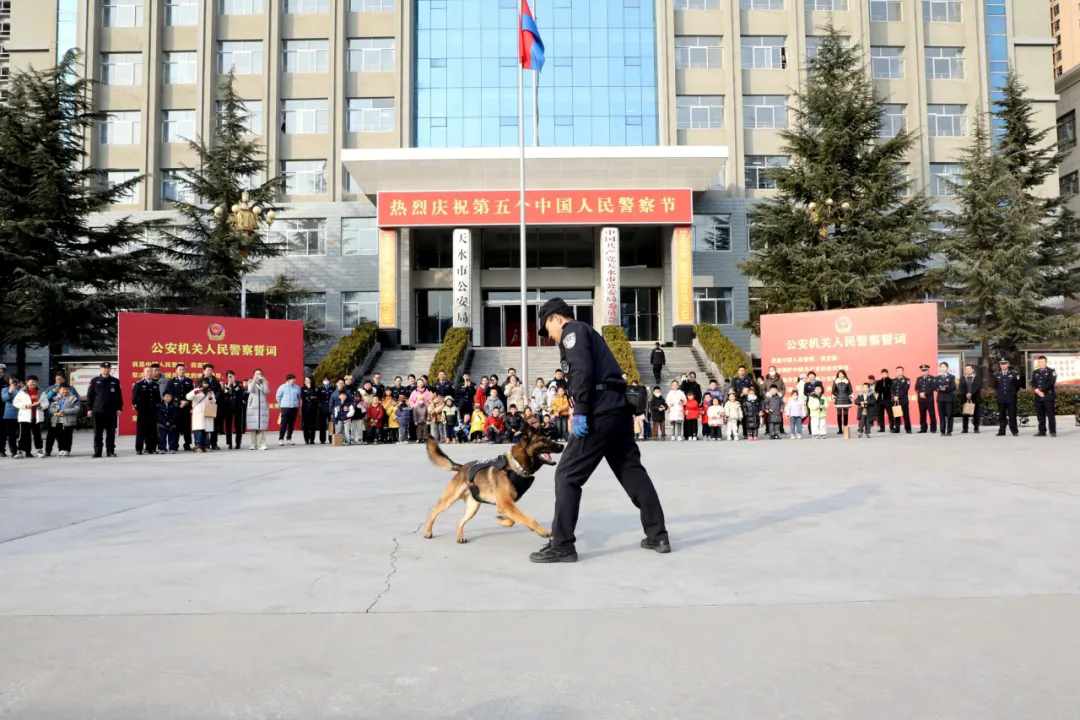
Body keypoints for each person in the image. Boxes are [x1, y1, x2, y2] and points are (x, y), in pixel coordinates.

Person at [528, 297, 669, 563]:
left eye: (548, 329)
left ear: (556, 318)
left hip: (599, 412)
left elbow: (582, 372)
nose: (550, 336)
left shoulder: (572, 332)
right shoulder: (586, 332)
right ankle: (658, 535)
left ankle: (562, 545)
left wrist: (581, 411)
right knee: (632, 473)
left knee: (567, 475)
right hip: (617, 411)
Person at [86, 361, 123, 458]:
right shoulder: (94, 381)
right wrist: (89, 409)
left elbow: (118, 396)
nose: (106, 369)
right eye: (104, 368)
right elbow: (90, 396)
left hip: (111, 411)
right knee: (98, 433)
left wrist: (119, 408)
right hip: (98, 411)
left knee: (111, 432)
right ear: (100, 369)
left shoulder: (115, 381)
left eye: (108, 368)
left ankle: (110, 451)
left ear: (110, 369)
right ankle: (97, 452)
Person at [13, 376, 47, 458]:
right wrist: (25, 406)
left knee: (37, 434)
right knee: (24, 435)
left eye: (35, 382)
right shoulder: (22, 392)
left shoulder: (41, 392)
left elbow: (46, 403)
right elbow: (15, 402)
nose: (33, 383)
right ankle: (21, 451)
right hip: (25, 417)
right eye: (32, 382)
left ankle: (39, 450)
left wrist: (40, 405)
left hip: (36, 417)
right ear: (27, 382)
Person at [132, 366, 161, 455]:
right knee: (141, 430)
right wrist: (138, 407)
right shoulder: (139, 384)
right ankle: (139, 448)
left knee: (152, 430)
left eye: (151, 371)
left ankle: (151, 448)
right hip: (143, 410)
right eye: (147, 371)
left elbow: (158, 398)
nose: (149, 373)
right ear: (143, 373)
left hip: (153, 410)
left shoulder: (155, 384)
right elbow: (134, 398)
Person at [165, 363, 195, 451]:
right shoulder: (171, 382)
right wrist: (178, 401)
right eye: (180, 369)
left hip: (186, 407)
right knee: (176, 427)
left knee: (187, 427)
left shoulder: (189, 381)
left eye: (183, 369)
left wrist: (188, 403)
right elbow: (169, 394)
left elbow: (192, 394)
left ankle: (187, 444)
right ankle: (175, 444)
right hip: (176, 408)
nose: (182, 371)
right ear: (176, 371)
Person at [46, 383, 81, 457]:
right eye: (63, 389)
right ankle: (60, 450)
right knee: (58, 436)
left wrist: (64, 411)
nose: (65, 391)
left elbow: (77, 409)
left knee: (68, 436)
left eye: (67, 389)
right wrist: (57, 411)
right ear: (59, 390)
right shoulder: (55, 398)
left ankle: (67, 450)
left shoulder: (73, 398)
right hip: (57, 419)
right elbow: (50, 408)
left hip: (68, 419)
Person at [1028, 355, 1057, 437]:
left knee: (1050, 415)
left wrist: (1040, 389)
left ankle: (1052, 431)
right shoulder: (1035, 372)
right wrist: (1036, 390)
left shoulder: (1051, 371)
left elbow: (1051, 382)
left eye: (1042, 362)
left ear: (1046, 362)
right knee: (1040, 415)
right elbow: (1033, 382)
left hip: (1048, 396)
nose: (1041, 363)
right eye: (1039, 362)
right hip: (1038, 397)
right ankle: (1042, 431)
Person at [187, 378, 217, 453]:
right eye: (204, 383)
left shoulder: (210, 392)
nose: (206, 385)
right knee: (198, 430)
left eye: (207, 383)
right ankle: (198, 446)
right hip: (198, 414)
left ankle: (206, 446)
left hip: (207, 413)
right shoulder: (196, 390)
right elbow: (188, 397)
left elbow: (214, 401)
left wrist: (211, 398)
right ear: (201, 383)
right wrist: (196, 392)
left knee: (207, 431)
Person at [200, 364, 224, 450]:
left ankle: (214, 443)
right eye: (208, 370)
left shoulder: (215, 381)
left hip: (212, 405)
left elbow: (219, 392)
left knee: (214, 425)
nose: (209, 372)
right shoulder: (200, 381)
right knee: (203, 425)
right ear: (204, 371)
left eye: (211, 370)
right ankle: (203, 444)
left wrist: (213, 399)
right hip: (203, 405)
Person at [246, 369, 271, 450]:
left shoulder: (264, 382)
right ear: (253, 375)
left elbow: (266, 391)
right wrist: (254, 380)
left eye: (260, 374)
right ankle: (253, 444)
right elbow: (250, 390)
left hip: (262, 407)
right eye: (256, 374)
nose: (258, 375)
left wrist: (265, 382)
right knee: (253, 427)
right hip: (253, 407)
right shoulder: (250, 382)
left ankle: (262, 444)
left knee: (261, 426)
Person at [222, 371, 247, 449]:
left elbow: (239, 391)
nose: (231, 378)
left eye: (232, 376)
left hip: (237, 406)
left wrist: (233, 384)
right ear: (227, 377)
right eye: (229, 376)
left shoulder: (239, 384)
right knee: (228, 425)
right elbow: (225, 394)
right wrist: (228, 386)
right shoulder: (225, 385)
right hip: (228, 407)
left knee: (238, 425)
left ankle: (238, 443)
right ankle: (229, 443)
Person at [276, 374, 301, 445]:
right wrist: (281, 405)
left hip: (294, 408)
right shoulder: (282, 387)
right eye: (293, 379)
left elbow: (298, 396)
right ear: (288, 380)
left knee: (291, 424)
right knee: (283, 424)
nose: (294, 381)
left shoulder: (297, 387)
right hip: (285, 408)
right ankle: (281, 439)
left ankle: (289, 439)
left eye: (295, 379)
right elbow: (278, 397)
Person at [958, 364, 982, 434]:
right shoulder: (962, 378)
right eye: (966, 369)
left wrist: (971, 393)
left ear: (972, 370)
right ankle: (965, 429)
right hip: (965, 398)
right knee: (965, 414)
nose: (967, 370)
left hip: (975, 398)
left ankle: (976, 428)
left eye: (969, 369)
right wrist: (966, 394)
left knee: (976, 414)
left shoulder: (977, 378)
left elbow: (978, 387)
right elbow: (961, 388)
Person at [935, 362, 957, 436]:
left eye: (944, 367)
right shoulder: (937, 378)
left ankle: (949, 431)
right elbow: (935, 387)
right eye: (941, 367)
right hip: (940, 399)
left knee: (950, 415)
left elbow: (953, 386)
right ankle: (942, 431)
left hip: (949, 399)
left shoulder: (951, 377)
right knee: (941, 416)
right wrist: (939, 389)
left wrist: (946, 389)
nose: (943, 368)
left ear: (947, 368)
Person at [915, 364, 937, 434]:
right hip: (921, 399)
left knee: (932, 414)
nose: (924, 372)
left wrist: (925, 393)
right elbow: (916, 388)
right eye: (923, 370)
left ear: (928, 370)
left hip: (929, 399)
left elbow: (932, 387)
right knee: (922, 414)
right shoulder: (919, 378)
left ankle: (933, 428)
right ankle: (923, 428)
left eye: (925, 370)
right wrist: (920, 393)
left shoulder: (932, 378)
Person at [2, 375, 20, 457]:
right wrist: (10, 391)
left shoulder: (21, 389)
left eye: (15, 379)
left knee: (20, 434)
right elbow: (5, 399)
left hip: (21, 414)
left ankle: (21, 449)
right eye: (11, 379)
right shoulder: (5, 389)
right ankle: (13, 451)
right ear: (8, 381)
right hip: (10, 415)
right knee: (11, 434)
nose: (13, 381)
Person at [831, 370, 853, 438]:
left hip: (846, 399)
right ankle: (840, 429)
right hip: (838, 399)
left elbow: (850, 390)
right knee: (839, 414)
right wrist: (835, 396)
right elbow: (833, 391)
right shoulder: (835, 381)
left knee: (846, 414)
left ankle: (845, 429)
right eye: (839, 374)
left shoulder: (847, 381)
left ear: (844, 374)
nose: (841, 375)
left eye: (842, 374)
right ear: (838, 375)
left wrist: (850, 396)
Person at [891, 366, 912, 434]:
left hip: (903, 400)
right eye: (897, 371)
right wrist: (894, 396)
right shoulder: (893, 380)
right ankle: (897, 429)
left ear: (903, 371)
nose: (899, 372)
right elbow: (892, 389)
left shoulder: (907, 380)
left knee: (906, 415)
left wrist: (898, 396)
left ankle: (908, 429)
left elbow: (905, 389)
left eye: (900, 371)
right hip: (895, 400)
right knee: (897, 415)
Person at [300, 376, 321, 445]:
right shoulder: (302, 388)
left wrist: (311, 388)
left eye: (308, 380)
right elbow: (303, 396)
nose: (307, 381)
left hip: (313, 408)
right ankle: (306, 439)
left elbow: (317, 395)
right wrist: (308, 389)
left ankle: (312, 439)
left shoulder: (315, 388)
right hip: (305, 408)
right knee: (306, 424)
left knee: (313, 424)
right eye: (306, 380)